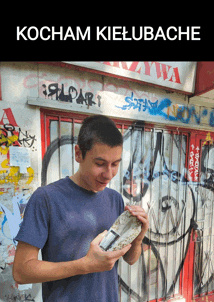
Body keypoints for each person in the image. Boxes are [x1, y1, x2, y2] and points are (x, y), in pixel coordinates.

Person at [13, 114, 149, 302]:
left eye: (115, 164)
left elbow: (130, 259)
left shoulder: (115, 200)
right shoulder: (46, 198)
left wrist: (138, 237)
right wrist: (85, 265)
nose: (109, 174)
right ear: (78, 154)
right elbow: (21, 271)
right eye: (100, 164)